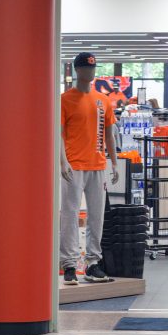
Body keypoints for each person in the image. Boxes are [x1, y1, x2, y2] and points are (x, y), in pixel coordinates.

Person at [60, 52, 120, 285]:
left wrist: (113, 162)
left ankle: (93, 263)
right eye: (86, 68)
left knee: (97, 217)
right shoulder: (64, 100)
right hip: (73, 166)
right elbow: (60, 134)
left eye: (93, 68)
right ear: (77, 70)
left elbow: (109, 134)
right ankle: (69, 265)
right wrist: (62, 161)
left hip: (97, 165)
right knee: (70, 216)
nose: (91, 72)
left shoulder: (103, 100)